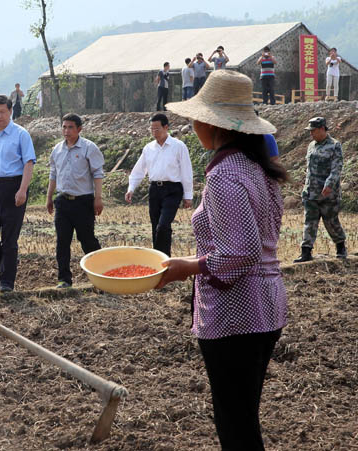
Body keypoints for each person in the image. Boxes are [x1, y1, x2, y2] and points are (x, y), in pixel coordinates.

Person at [163, 70, 289, 450]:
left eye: (197, 117)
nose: (194, 123)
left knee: (235, 424)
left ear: (212, 124)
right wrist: (189, 261)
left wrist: (188, 268)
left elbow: (241, 251)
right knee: (243, 416)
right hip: (268, 306)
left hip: (239, 315)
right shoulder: (260, 171)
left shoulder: (224, 175)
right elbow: (250, 245)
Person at [0, 94, 36, 292]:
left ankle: (6, 283)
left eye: (2, 111)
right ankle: (6, 266)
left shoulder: (21, 134)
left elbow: (29, 163)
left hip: (13, 187)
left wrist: (22, 190)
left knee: (9, 239)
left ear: (10, 112)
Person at [46, 113, 104, 288]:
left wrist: (98, 198)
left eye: (70, 127)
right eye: (64, 127)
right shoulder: (57, 149)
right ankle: (64, 279)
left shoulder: (89, 148)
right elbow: (53, 175)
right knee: (62, 241)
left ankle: (101, 276)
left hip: (83, 202)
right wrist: (49, 197)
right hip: (63, 201)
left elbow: (98, 174)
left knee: (87, 240)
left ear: (79, 129)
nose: (66, 130)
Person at [125, 113, 193, 256]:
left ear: (166, 127)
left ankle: (164, 260)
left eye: (157, 129)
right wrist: (131, 188)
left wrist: (188, 195)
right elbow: (139, 170)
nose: (154, 132)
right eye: (152, 129)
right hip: (155, 189)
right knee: (156, 227)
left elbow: (186, 171)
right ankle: (159, 260)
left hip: (173, 190)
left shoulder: (178, 146)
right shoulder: (148, 148)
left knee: (163, 226)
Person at [293, 117, 347, 263]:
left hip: (328, 193)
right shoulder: (311, 145)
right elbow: (309, 170)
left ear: (322, 129)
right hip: (311, 192)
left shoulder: (335, 146)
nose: (311, 134)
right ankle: (306, 251)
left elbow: (336, 169)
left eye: (314, 131)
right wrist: (305, 188)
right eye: (310, 131)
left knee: (331, 221)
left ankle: (341, 247)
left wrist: (329, 184)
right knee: (309, 221)